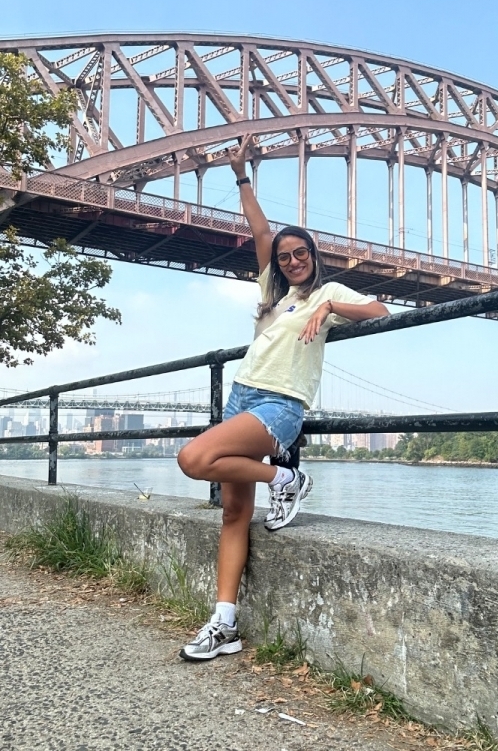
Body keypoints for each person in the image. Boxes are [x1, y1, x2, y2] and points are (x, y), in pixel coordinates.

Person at [176, 134, 389, 661]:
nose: (292, 260)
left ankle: (288, 479)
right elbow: (261, 231)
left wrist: (327, 309)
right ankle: (224, 625)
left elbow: (380, 310)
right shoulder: (273, 292)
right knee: (233, 514)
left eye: (301, 254)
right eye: (286, 256)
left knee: (193, 458)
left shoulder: (328, 294)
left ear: (314, 256)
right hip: (241, 397)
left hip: (279, 404)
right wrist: (240, 175)